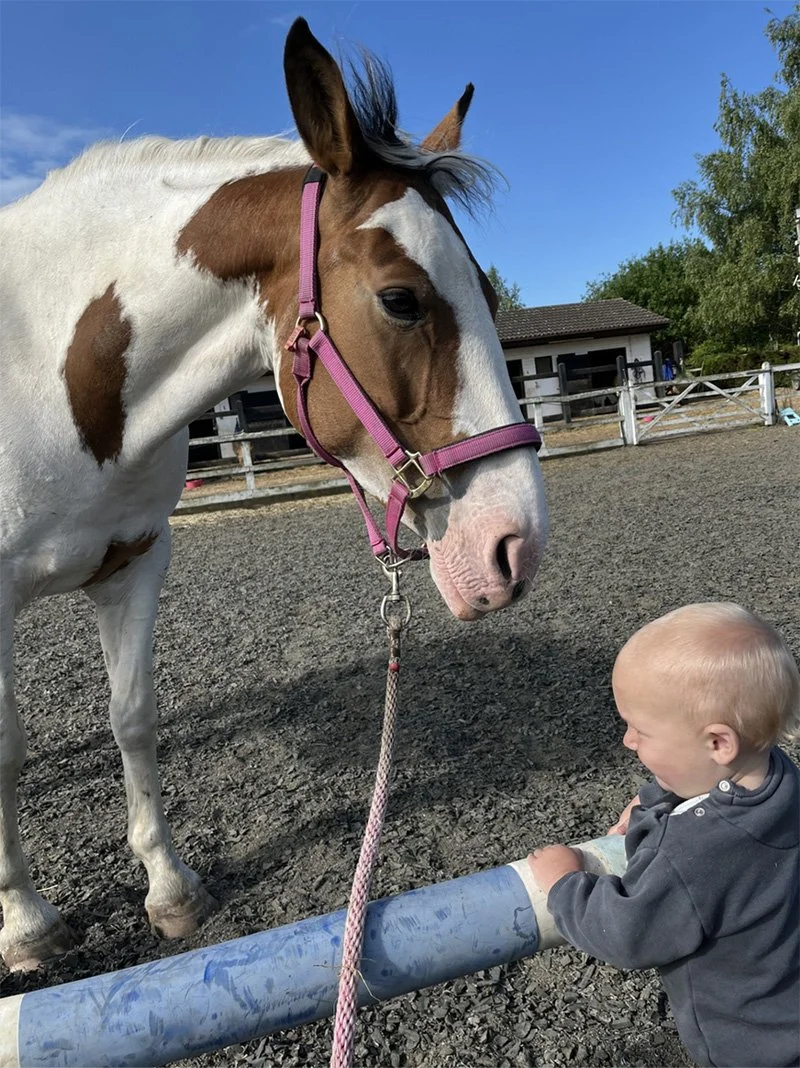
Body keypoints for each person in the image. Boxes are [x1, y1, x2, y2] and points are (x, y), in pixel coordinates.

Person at [529, 603, 800, 1068]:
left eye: (640, 729)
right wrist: (652, 806)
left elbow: (628, 933)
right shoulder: (779, 777)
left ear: (718, 743)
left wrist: (563, 883)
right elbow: (701, 790)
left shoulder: (690, 854)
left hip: (750, 1045)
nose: (628, 741)